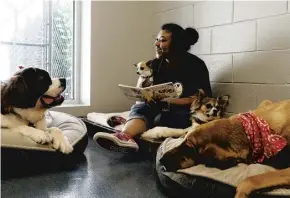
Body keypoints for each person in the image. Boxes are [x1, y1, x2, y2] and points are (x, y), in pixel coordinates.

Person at [93, 23, 212, 153]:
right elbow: (144, 90)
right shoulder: (157, 63)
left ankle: (128, 123)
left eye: (162, 40)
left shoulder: (195, 65)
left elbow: (202, 100)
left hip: (184, 111)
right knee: (140, 107)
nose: (156, 44)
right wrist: (143, 87)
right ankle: (124, 136)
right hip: (160, 107)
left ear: (176, 44)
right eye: (156, 40)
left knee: (160, 118)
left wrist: (168, 101)